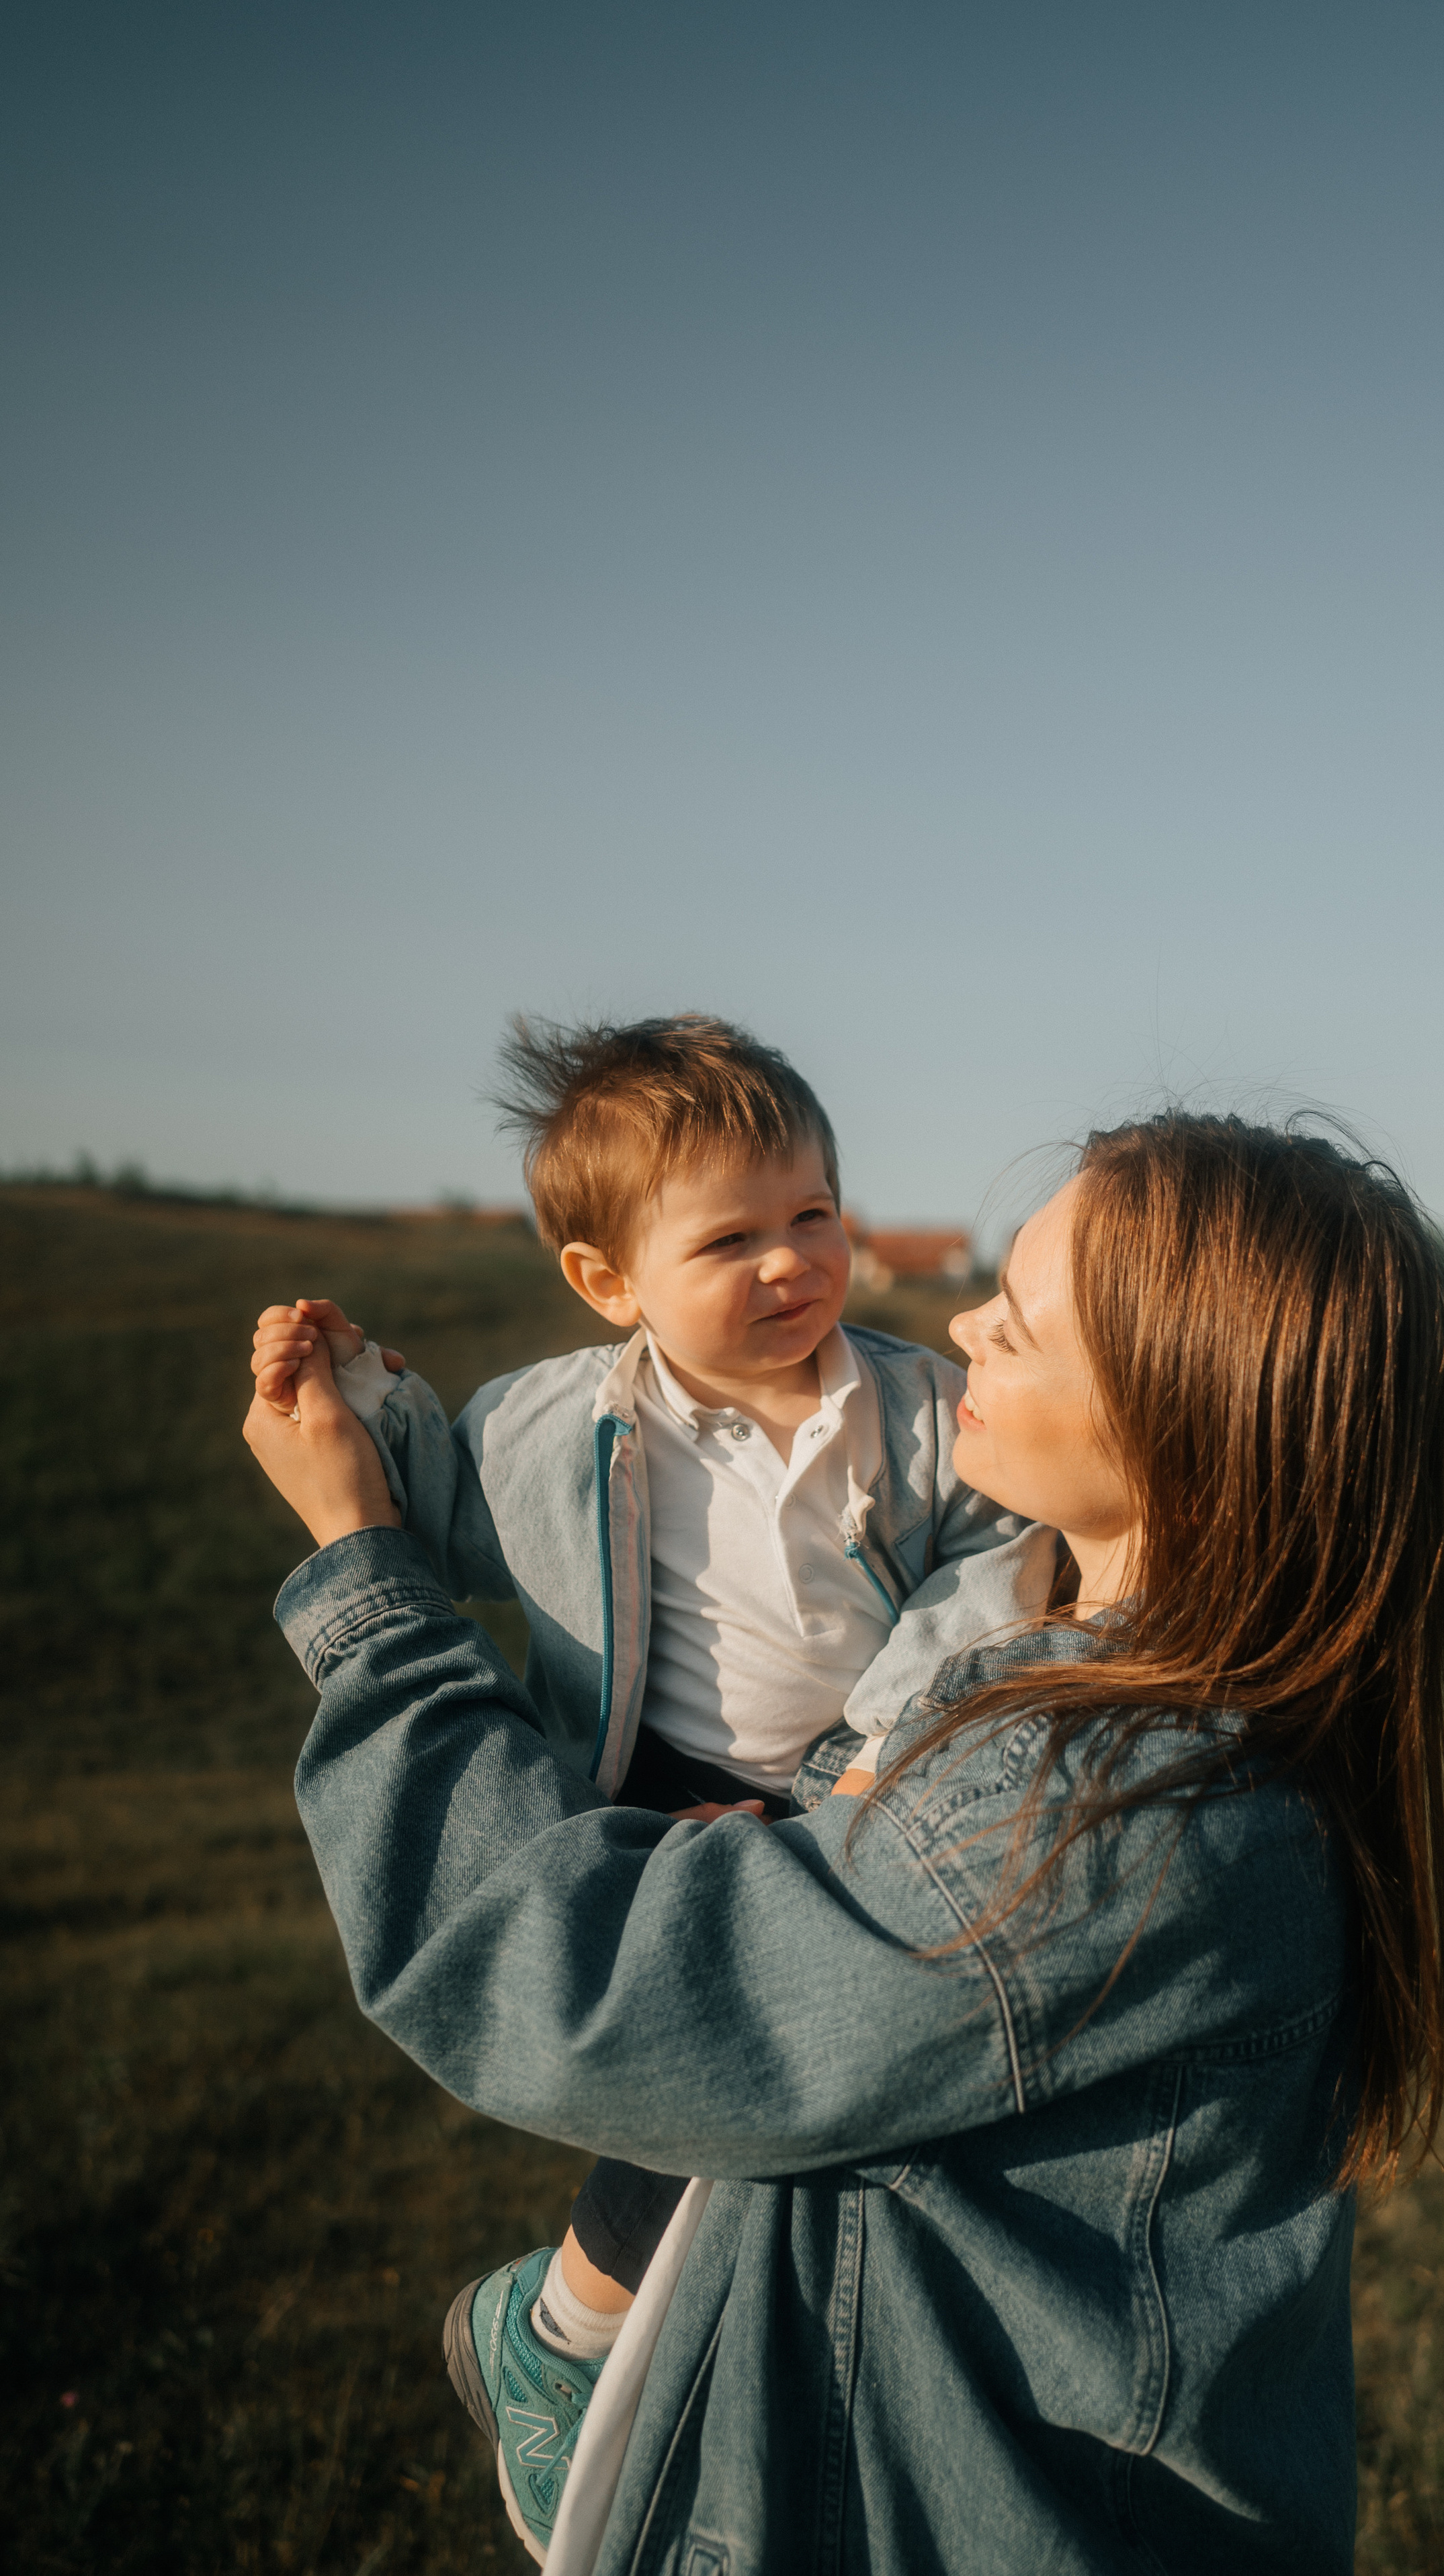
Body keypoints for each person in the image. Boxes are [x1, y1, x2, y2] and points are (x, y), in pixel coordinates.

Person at [245, 1111, 1444, 2576]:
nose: (962, 1323)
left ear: (1178, 1421)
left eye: (1018, 1329)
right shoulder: (1085, 1710)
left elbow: (580, 1989)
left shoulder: (1110, 1817)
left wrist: (362, 1577)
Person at [247, 1013, 1051, 2554]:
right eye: (731, 1237)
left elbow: (983, 1577)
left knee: (800, 2072)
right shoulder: (561, 1424)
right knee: (711, 2060)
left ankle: (611, 2339)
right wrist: (363, 1398)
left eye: (813, 1214)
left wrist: (853, 1766)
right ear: (607, 1281)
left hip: (860, 1773)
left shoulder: (911, 1414)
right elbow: (437, 1513)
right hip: (654, 1781)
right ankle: (561, 2340)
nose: (791, 1264)